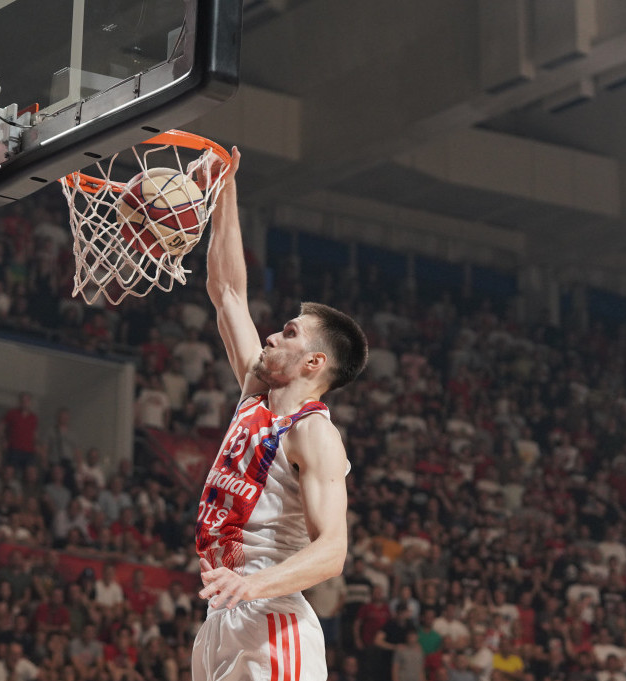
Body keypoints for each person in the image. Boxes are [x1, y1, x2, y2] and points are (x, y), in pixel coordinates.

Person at [192, 148, 369, 681]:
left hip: (272, 614)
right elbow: (226, 294)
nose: (273, 333)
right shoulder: (256, 395)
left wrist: (255, 585)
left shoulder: (314, 435)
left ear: (314, 362)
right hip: (224, 615)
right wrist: (224, 188)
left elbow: (333, 551)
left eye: (289, 332)